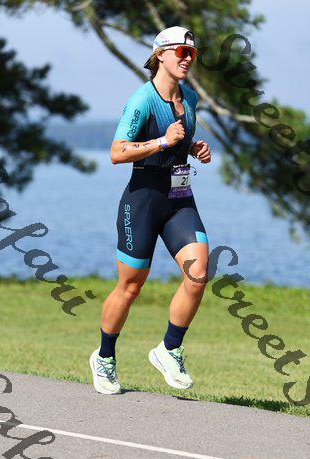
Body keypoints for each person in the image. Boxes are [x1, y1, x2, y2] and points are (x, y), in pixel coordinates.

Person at [89, 26, 211, 394]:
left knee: (198, 274)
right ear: (160, 55)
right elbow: (117, 152)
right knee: (130, 287)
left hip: (179, 198)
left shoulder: (190, 98)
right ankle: (104, 358)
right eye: (181, 52)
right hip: (143, 199)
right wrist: (162, 141)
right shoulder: (141, 100)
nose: (187, 58)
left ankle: (169, 349)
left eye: (192, 53)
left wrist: (192, 148)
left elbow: (179, 140)